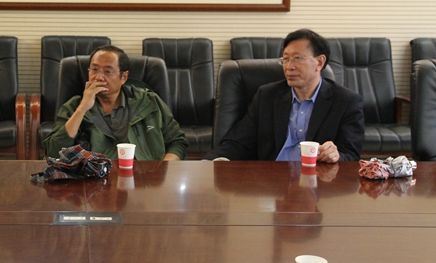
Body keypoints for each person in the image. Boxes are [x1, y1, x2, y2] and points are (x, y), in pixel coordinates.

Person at [204, 29, 364, 162]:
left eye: (298, 58)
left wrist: (336, 156)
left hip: (316, 181)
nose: (289, 67)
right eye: (286, 59)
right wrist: (208, 164)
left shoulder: (346, 101)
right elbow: (238, 142)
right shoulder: (266, 96)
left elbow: (351, 155)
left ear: (320, 62)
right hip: (272, 180)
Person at [43, 45, 188, 161]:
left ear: (123, 77)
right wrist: (82, 108)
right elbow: (54, 152)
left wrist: (161, 170)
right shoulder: (74, 106)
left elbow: (177, 142)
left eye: (108, 71)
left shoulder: (149, 101)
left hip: (145, 180)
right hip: (93, 182)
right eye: (94, 69)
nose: (98, 77)